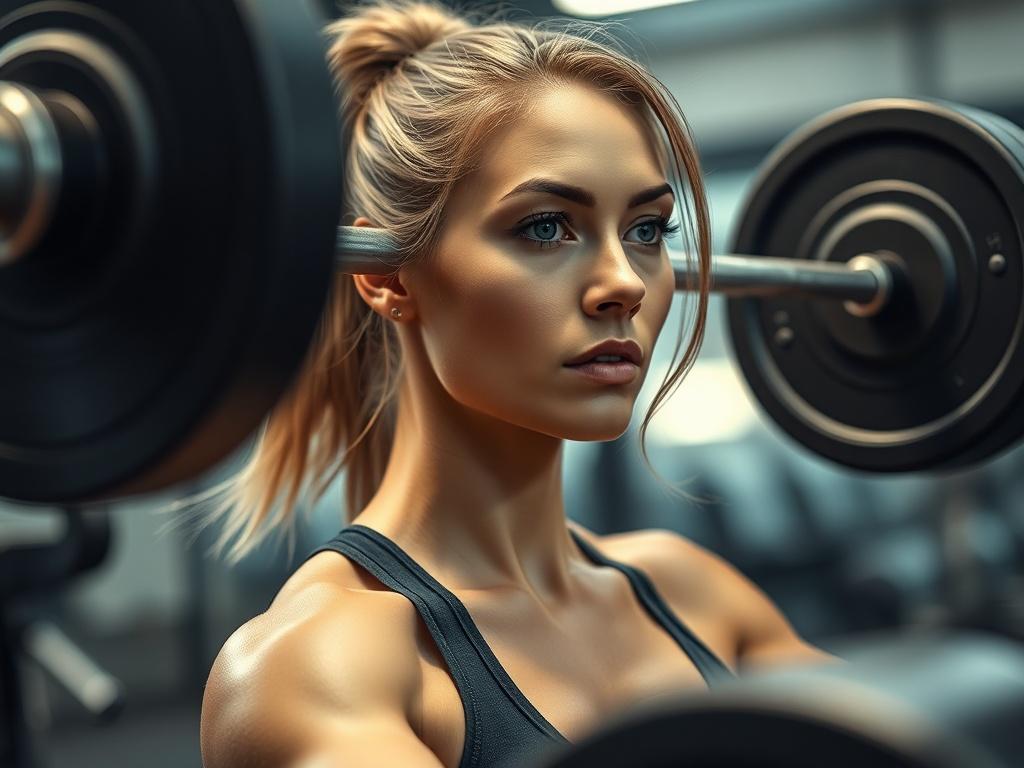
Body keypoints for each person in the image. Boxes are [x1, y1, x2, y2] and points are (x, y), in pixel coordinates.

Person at [198, 2, 832, 766]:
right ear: (387, 276)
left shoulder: (694, 596)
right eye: (545, 227)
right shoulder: (322, 663)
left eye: (646, 230)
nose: (624, 284)